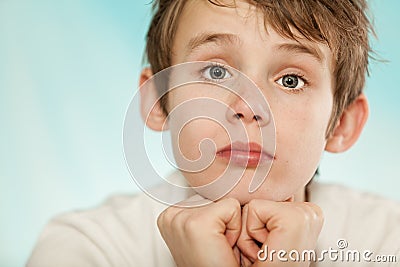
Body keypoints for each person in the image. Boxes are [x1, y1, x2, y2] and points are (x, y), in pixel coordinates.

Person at [27, 0, 400, 266]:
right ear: (158, 99)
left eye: (290, 80)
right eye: (217, 72)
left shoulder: (387, 242)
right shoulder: (85, 248)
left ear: (341, 125)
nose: (249, 106)